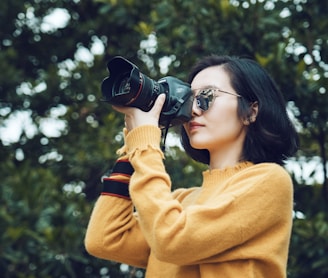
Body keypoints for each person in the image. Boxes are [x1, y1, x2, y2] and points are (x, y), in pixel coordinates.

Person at [85, 55, 299, 278]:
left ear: (251, 111)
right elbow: (105, 239)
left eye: (207, 96)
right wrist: (134, 147)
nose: (193, 111)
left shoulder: (269, 181)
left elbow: (172, 240)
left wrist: (146, 146)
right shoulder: (180, 202)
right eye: (189, 99)